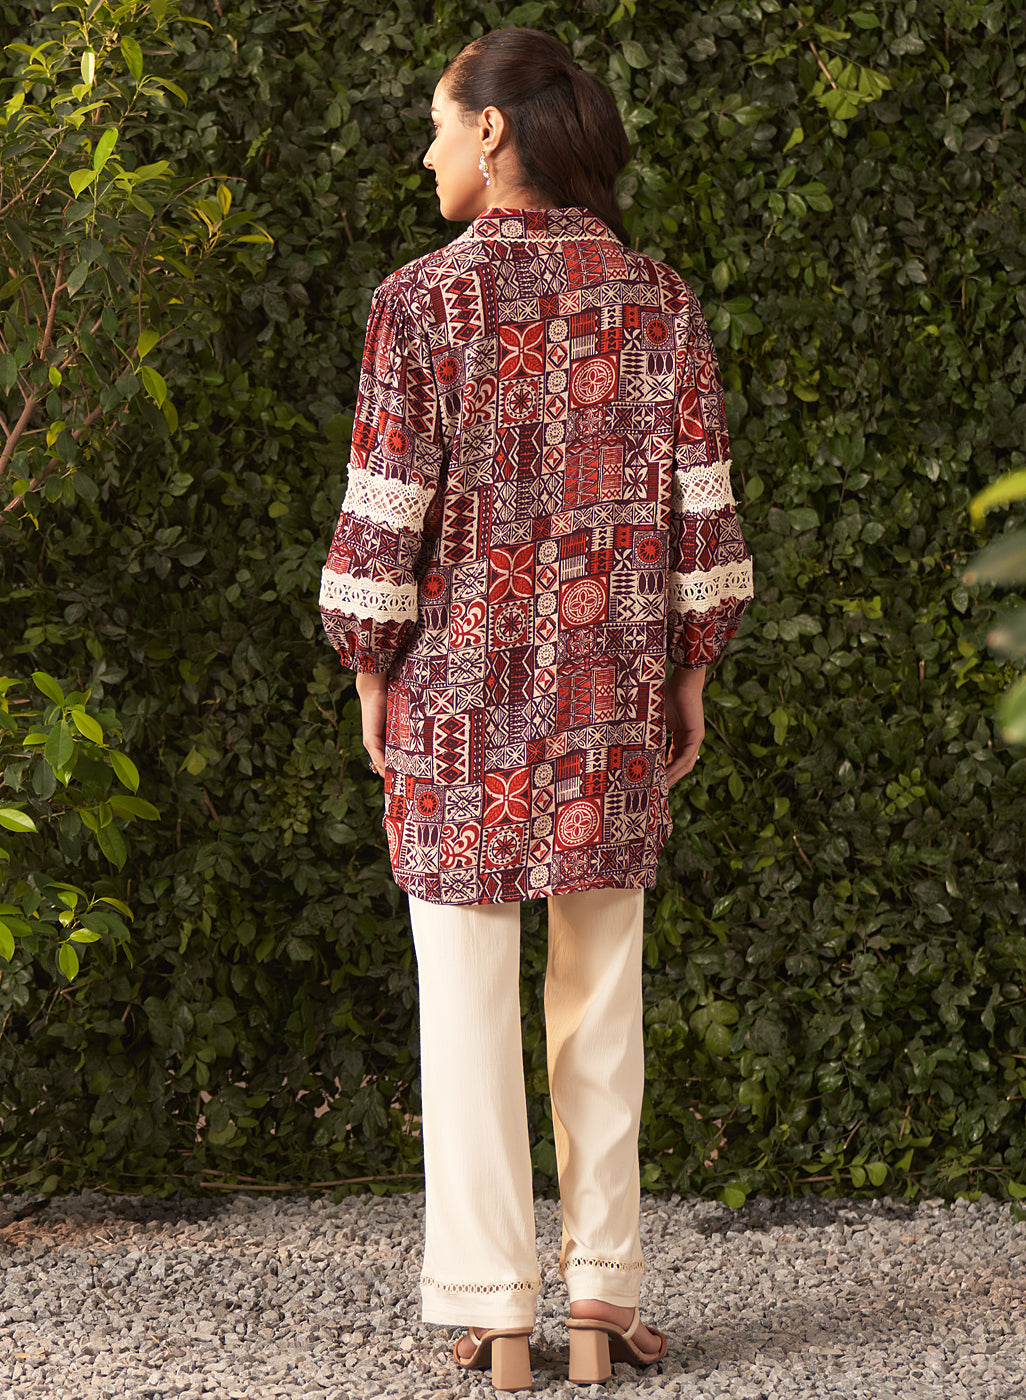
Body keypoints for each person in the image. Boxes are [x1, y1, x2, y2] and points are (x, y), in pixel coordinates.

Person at [319, 26, 753, 1391]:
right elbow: (702, 509)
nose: (427, 150)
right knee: (601, 997)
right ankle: (599, 1305)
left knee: (463, 1002)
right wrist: (691, 662)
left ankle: (498, 1313)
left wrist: (369, 665)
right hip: (607, 690)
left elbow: (383, 512)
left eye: (439, 123)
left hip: (458, 700)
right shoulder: (655, 297)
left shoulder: (420, 301)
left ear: (493, 130)